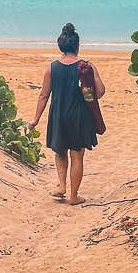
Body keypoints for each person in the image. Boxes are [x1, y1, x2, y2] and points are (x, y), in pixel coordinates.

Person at [28, 22, 105, 205]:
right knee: (77, 155)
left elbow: (44, 95)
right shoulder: (87, 67)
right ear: (77, 46)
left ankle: (62, 186)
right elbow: (100, 93)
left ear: (60, 46)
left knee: (60, 151)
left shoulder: (51, 68)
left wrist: (36, 119)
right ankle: (73, 196)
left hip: (59, 115)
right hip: (79, 115)